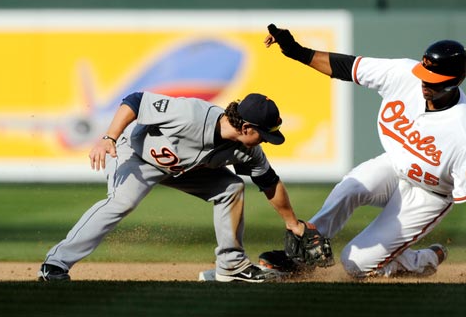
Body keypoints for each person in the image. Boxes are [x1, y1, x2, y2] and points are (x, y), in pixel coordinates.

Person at [263, 24, 466, 281]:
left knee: (354, 264)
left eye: (433, 80)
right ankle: (302, 254)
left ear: (453, 81)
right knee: (350, 188)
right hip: (396, 165)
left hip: (430, 194)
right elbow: (347, 67)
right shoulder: (405, 74)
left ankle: (423, 259)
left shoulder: (465, 131)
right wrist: (296, 51)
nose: (424, 82)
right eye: (424, 73)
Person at [38, 91, 319, 283]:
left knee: (231, 187)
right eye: (264, 134)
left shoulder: (247, 151)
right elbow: (136, 101)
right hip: (137, 155)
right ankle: (56, 264)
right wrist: (109, 137)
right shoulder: (191, 114)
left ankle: (231, 267)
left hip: (184, 169)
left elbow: (269, 182)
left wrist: (292, 223)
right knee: (120, 203)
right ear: (246, 127)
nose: (265, 140)